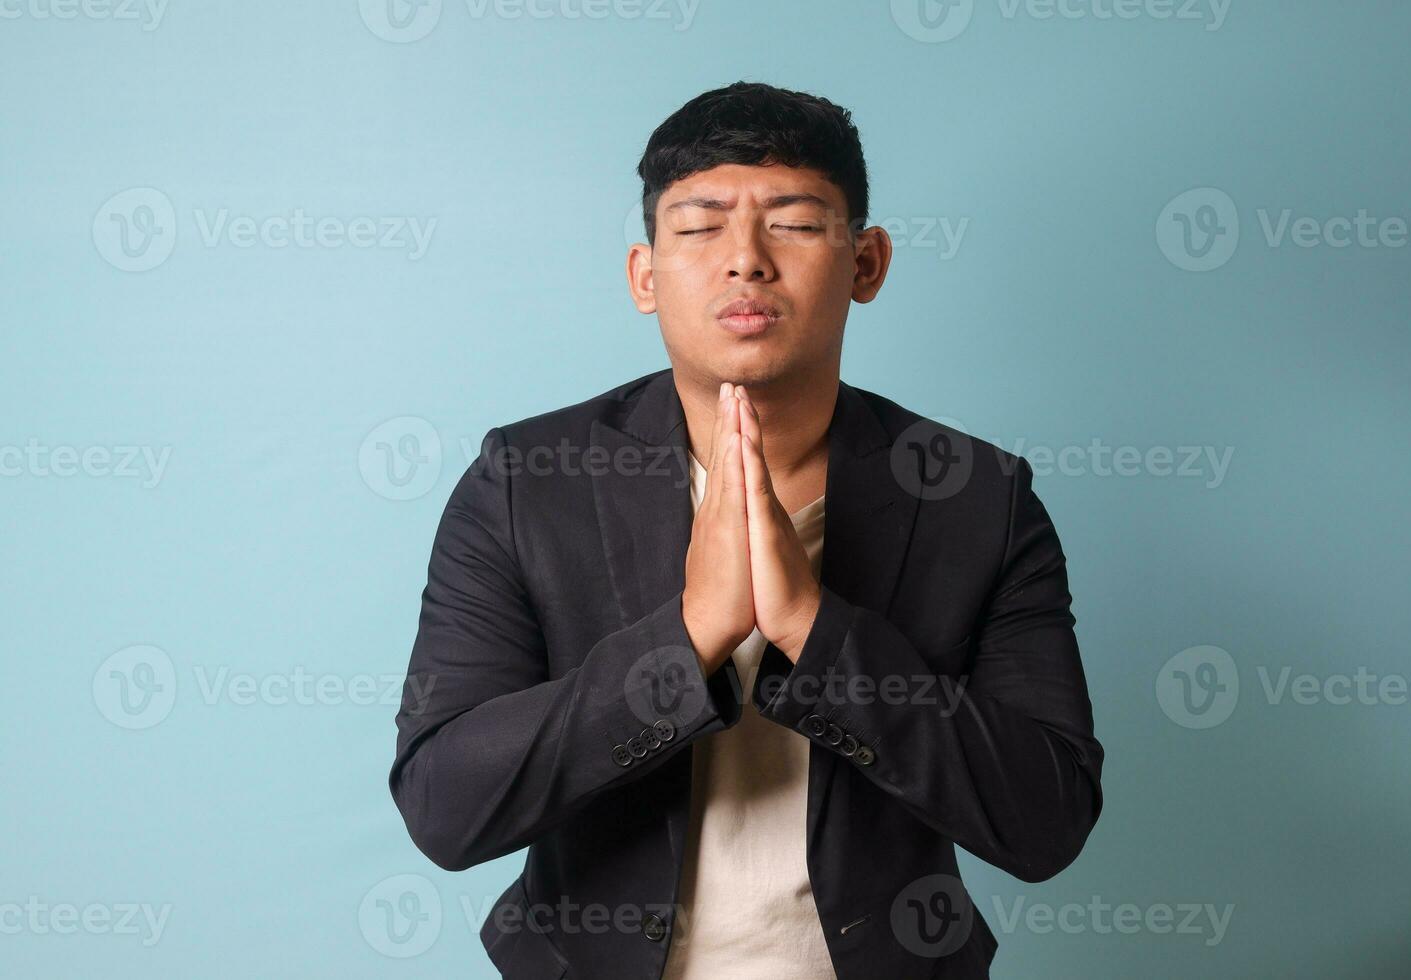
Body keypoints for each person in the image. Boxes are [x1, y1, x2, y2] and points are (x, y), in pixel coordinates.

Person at [390, 80, 1104, 980]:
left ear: (867, 263)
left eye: (796, 223)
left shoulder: (978, 498)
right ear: (645, 277)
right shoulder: (524, 483)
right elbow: (445, 808)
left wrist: (814, 628)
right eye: (698, 228)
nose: (746, 261)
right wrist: (687, 640)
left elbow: (1047, 821)